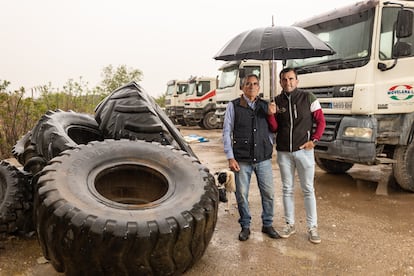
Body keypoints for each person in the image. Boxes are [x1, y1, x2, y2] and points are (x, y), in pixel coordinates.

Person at [268, 67, 326, 244]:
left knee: (308, 189)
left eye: (291, 79)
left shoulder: (308, 97)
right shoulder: (276, 101)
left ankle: (312, 227)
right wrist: (271, 115)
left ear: (297, 81)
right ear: (280, 82)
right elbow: (275, 128)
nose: (288, 82)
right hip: (284, 152)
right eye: (284, 79)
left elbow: (321, 121)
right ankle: (289, 224)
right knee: (287, 189)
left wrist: (314, 141)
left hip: (305, 151)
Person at [223, 74, 280, 241]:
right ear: (242, 87)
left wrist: (271, 114)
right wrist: (230, 157)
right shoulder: (233, 106)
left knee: (268, 193)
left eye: (255, 84)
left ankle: (267, 224)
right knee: (241, 194)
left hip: (263, 158)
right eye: (248, 84)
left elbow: (274, 128)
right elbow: (227, 131)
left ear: (259, 88)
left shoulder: (266, 105)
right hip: (241, 159)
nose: (252, 87)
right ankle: (245, 226)